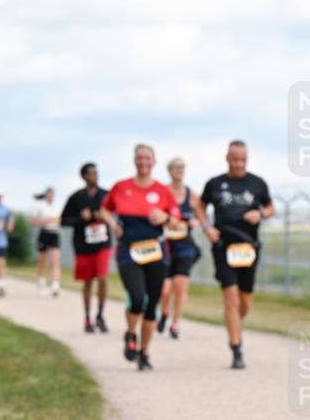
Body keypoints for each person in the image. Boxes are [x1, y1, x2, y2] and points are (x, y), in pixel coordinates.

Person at [98, 144, 182, 370]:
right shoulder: (121, 187)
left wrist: (165, 217)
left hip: (155, 251)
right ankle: (130, 334)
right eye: (139, 158)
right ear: (134, 161)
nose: (143, 162)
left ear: (154, 162)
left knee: (152, 304)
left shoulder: (163, 191)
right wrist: (113, 224)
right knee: (136, 297)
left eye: (147, 158)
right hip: (128, 250)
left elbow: (176, 221)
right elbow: (103, 209)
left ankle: (144, 352)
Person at [194, 140, 274, 369]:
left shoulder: (257, 183)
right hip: (223, 247)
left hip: (248, 248)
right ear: (227, 158)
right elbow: (199, 206)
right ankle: (236, 348)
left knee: (244, 303)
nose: (239, 163)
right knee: (231, 299)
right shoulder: (215, 183)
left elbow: (270, 208)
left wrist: (260, 214)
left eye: (243, 159)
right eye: (235, 159)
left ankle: (234, 325)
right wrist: (207, 227)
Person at [61, 162, 112, 333]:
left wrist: (103, 217)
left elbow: (116, 215)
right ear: (83, 176)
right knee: (88, 282)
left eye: (96, 173)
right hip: (83, 246)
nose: (95, 176)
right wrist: (81, 219)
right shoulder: (76, 198)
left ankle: (101, 315)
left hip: (103, 244)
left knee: (103, 278)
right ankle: (87, 317)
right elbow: (64, 220)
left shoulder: (106, 195)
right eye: (91, 173)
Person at [157, 157, 202, 339]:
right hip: (166, 247)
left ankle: (175, 324)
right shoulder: (162, 192)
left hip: (185, 246)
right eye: (176, 167)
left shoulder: (192, 195)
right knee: (165, 290)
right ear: (169, 170)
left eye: (182, 167)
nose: (180, 170)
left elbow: (202, 216)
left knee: (180, 288)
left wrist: (196, 221)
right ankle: (165, 312)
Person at [30, 187, 62, 297]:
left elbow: (61, 219)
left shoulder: (58, 206)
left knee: (55, 260)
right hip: (44, 233)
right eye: (48, 194)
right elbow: (31, 221)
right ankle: (40, 279)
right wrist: (42, 221)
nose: (50, 196)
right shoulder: (40, 206)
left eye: (52, 194)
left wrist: (55, 220)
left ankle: (55, 285)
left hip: (54, 233)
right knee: (42, 260)